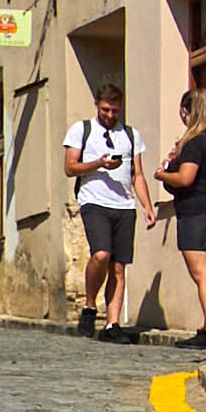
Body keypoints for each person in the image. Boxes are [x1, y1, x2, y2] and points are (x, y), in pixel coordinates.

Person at [155, 82, 206, 348]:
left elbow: (185, 178)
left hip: (197, 215)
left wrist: (162, 174)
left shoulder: (193, 144)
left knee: (203, 275)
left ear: (185, 111)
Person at [61, 84, 141, 336]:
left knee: (119, 266)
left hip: (125, 204)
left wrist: (147, 206)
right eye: (106, 109)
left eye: (115, 110)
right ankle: (89, 306)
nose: (110, 115)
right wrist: (98, 164)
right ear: (97, 105)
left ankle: (112, 324)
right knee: (101, 254)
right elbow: (70, 167)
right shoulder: (81, 130)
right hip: (94, 202)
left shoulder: (129, 134)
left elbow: (137, 174)